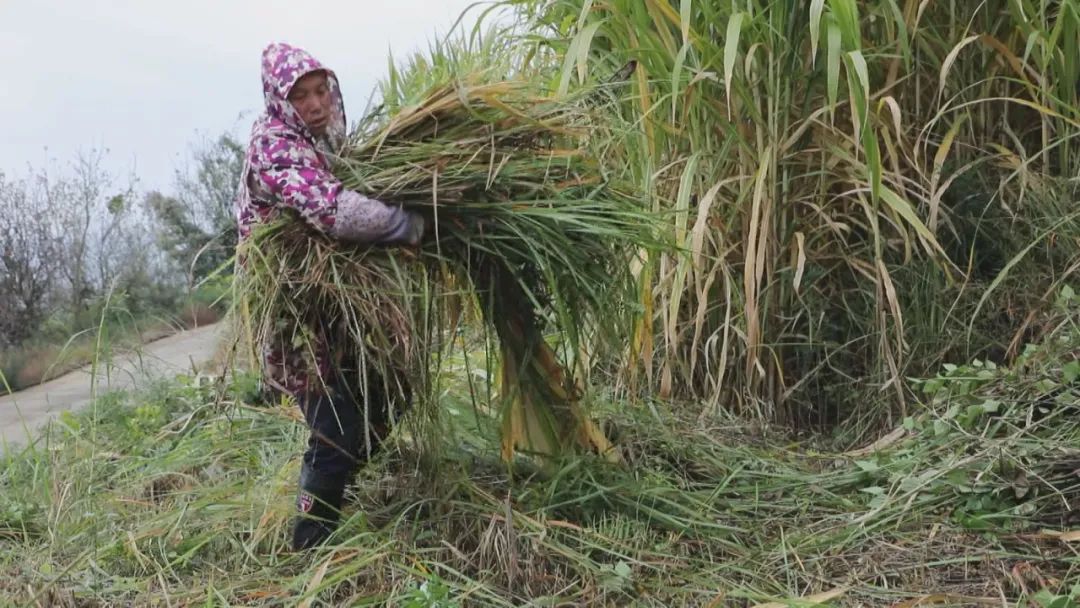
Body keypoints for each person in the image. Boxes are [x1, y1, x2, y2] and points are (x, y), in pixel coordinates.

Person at [234, 42, 425, 551]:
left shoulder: (327, 130)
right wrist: (403, 223)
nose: (317, 105)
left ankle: (342, 485)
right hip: (296, 308)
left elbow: (353, 175)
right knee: (335, 427)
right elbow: (332, 209)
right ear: (279, 100)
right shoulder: (274, 144)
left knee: (390, 389)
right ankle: (311, 543)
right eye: (301, 97)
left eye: (321, 91)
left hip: (337, 297)